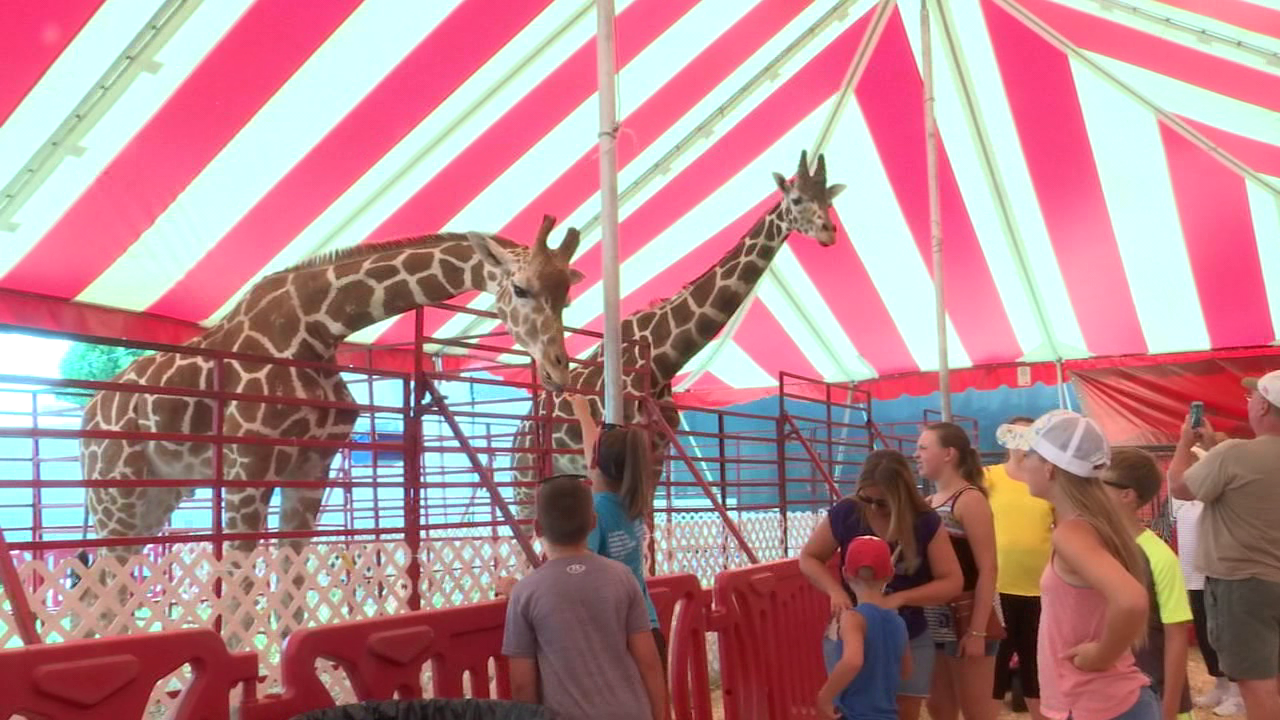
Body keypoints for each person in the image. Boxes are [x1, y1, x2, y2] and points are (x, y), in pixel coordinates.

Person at [997, 410, 1157, 720]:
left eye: (1029, 453)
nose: (1022, 462)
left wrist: (1100, 655)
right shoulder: (1091, 525)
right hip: (1104, 703)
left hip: (1097, 704)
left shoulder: (1072, 533)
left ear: (1050, 469)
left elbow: (1131, 601)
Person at [800, 448, 964, 720]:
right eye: (867, 498)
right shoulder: (847, 511)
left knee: (901, 709)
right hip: (870, 628)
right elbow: (809, 557)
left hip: (908, 627)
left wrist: (901, 599)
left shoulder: (924, 521)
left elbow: (951, 581)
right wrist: (834, 590)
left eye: (883, 502)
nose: (874, 507)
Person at [501, 475, 666, 720]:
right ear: (593, 522)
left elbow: (522, 685)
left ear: (537, 528)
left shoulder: (525, 593)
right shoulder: (623, 577)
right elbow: (649, 662)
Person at [1169, 371, 1280, 720]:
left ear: (1263, 406)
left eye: (1252, 399)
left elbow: (1179, 488)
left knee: (1257, 684)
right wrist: (1217, 447)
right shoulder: (1232, 454)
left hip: (1244, 585)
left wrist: (1185, 444)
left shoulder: (1234, 453)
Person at [566, 393, 664, 660]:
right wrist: (583, 414)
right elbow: (597, 460)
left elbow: (576, 574)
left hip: (617, 636)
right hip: (647, 627)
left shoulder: (594, 512)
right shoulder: (632, 504)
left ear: (595, 464)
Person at [915, 423, 1000, 720]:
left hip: (966, 617)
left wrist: (977, 631)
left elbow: (988, 568)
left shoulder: (969, 499)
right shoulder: (927, 503)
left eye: (924, 447)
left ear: (949, 453)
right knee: (940, 707)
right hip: (934, 620)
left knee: (978, 711)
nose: (917, 454)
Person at [1101, 448, 1192, 720]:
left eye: (1098, 485)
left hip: (1153, 696)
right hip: (1112, 696)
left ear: (1126, 495)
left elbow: (1176, 635)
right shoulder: (1092, 548)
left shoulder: (1159, 557)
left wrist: (1169, 709)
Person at [987, 415, 1053, 720]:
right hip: (997, 588)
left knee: (1035, 660)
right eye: (1016, 435)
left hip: (1038, 587)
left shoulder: (1048, 481)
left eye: (1030, 435)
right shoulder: (987, 477)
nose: (1022, 442)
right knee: (996, 662)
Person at [1174, 438, 1242, 716]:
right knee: (1206, 636)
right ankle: (1221, 685)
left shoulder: (1217, 498)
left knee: (1228, 637)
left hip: (1218, 577)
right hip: (1192, 579)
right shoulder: (1182, 503)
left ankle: (1239, 694)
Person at [817, 535, 911, 720]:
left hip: (855, 714)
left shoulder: (853, 618)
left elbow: (853, 661)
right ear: (890, 574)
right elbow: (905, 670)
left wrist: (825, 696)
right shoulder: (898, 621)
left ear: (845, 573)